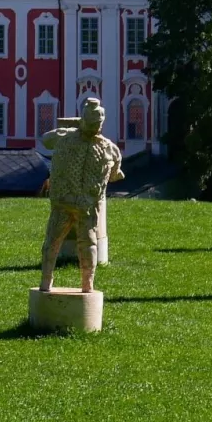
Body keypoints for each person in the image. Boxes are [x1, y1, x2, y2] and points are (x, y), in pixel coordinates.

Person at [39, 97, 122, 293]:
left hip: (83, 205)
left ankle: (86, 285)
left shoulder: (108, 147)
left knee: (83, 244)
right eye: (92, 122)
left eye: (97, 123)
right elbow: (46, 139)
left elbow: (115, 171)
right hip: (66, 202)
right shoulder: (68, 138)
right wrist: (67, 131)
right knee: (56, 242)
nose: (95, 126)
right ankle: (48, 281)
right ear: (83, 120)